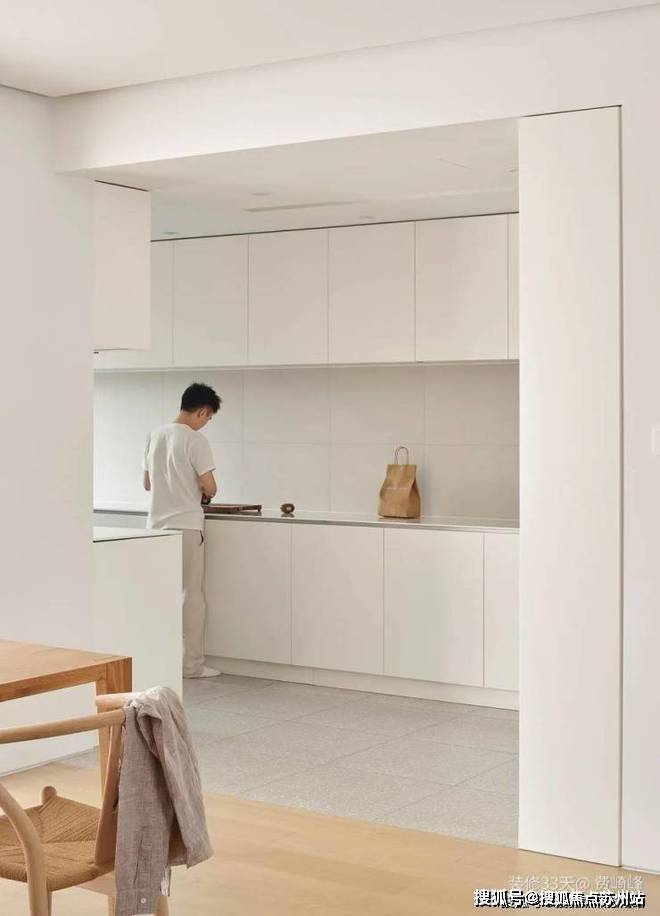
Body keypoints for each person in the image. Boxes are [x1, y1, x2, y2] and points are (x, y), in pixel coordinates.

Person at [143, 382, 222, 678]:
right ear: (202, 411)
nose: (206, 423)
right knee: (191, 595)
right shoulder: (195, 440)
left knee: (158, 595)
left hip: (154, 527)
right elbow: (210, 487)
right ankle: (191, 666)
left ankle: (156, 661)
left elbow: (147, 484)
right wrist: (201, 487)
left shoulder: (154, 435)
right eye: (208, 418)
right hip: (186, 525)